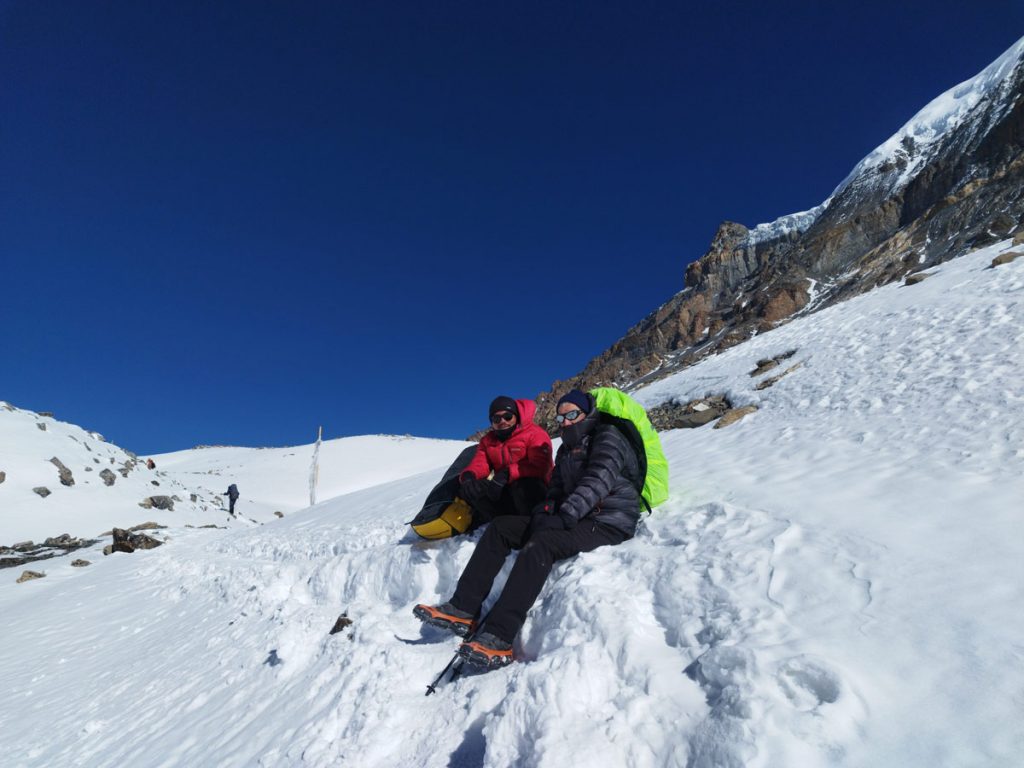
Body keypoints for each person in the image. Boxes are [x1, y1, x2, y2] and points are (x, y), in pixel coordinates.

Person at [413, 389, 641, 669]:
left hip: (607, 521)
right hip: (579, 516)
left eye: (572, 415)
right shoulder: (568, 447)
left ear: (586, 413)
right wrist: (545, 510)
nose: (566, 421)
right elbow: (556, 487)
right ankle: (463, 607)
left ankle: (499, 635)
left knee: (541, 545)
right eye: (561, 416)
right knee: (501, 527)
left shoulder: (607, 436)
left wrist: (565, 515)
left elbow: (597, 480)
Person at [455, 396, 553, 525]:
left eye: (508, 417)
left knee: (525, 484)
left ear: (516, 416)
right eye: (496, 418)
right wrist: (469, 475)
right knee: (473, 488)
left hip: (536, 491)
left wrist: (508, 474)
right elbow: (480, 464)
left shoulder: (534, 433)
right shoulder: (487, 441)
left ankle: (531, 524)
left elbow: (541, 467)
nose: (502, 421)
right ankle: (501, 521)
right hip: (505, 489)